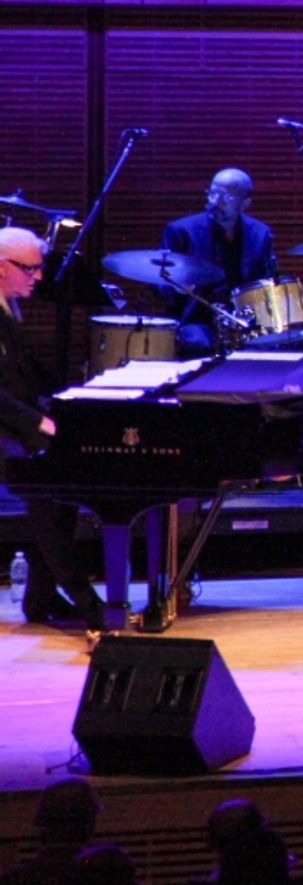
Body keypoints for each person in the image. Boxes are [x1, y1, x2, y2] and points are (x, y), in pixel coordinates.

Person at [0, 227, 107, 630]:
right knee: (47, 495)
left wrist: (75, 396)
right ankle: (87, 602)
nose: (39, 277)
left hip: (15, 424)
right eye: (30, 269)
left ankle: (41, 598)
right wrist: (39, 421)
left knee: (57, 492)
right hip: (6, 431)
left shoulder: (9, 307)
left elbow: (23, 378)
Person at [161, 168, 278, 357]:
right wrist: (178, 288)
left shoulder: (260, 233)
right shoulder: (181, 231)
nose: (215, 201)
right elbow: (162, 283)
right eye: (213, 193)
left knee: (302, 339)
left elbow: (268, 281)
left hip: (245, 320)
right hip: (198, 319)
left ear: (245, 203)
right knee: (198, 344)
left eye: (226, 197)